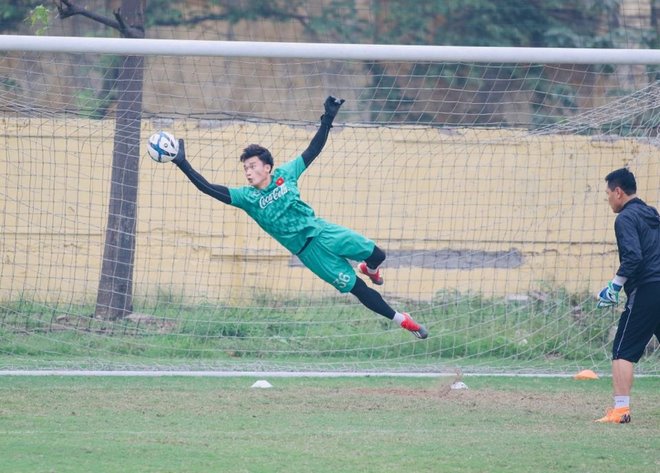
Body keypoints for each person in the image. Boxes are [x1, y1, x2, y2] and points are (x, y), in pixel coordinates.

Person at [170, 96, 428, 339]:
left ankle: (370, 269)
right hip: (310, 253)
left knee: (378, 255)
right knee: (358, 289)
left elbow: (313, 149)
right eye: (245, 168)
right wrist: (182, 163)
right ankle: (402, 320)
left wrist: (328, 118)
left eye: (252, 166)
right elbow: (208, 188)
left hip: (324, 231)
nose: (248, 172)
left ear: (267, 167)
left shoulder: (286, 174)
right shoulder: (246, 197)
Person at [595, 167, 660, 423]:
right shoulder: (652, 214)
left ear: (618, 192)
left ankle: (621, 410)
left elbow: (634, 257)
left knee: (622, 350)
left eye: (608, 194)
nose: (608, 199)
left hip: (646, 289)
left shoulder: (625, 218)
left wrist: (614, 286)